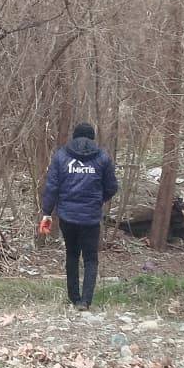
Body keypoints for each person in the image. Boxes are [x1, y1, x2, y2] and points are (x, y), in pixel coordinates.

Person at [41, 121, 118, 311]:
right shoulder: (102, 158)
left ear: (74, 137)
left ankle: (74, 297)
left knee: (72, 254)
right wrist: (99, 199)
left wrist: (47, 212)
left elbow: (52, 187)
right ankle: (85, 301)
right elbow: (112, 187)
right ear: (92, 138)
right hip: (91, 217)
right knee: (91, 258)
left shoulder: (61, 156)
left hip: (67, 217)